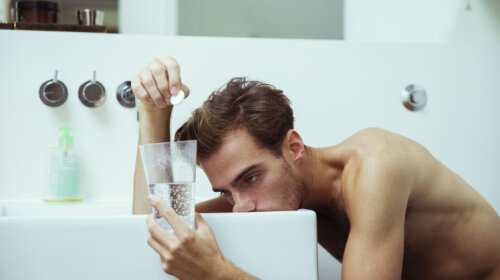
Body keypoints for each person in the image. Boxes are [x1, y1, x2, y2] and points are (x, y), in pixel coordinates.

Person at [131, 56, 500, 280]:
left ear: (293, 147)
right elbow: (151, 229)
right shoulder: (264, 198)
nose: (241, 207)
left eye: (251, 177)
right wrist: (152, 113)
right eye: (227, 191)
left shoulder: (376, 166)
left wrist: (215, 273)